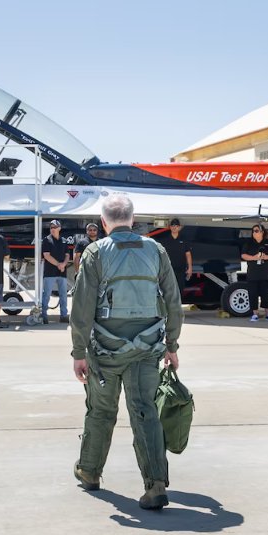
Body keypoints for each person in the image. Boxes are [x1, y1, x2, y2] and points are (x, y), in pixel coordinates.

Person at [70, 193, 183, 510]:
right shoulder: (156, 250)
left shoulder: (95, 253)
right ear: (133, 221)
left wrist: (79, 352)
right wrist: (171, 345)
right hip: (147, 351)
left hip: (105, 353)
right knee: (145, 412)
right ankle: (156, 483)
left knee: (101, 412)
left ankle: (90, 472)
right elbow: (174, 303)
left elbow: (82, 310)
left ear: (103, 223)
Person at [241, 223, 268, 321]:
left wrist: (267, 257)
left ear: (262, 232)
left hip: (265, 273)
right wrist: (253, 258)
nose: (254, 233)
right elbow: (243, 255)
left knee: (266, 293)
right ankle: (255, 314)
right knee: (253, 293)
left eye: (256, 230)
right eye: (253, 231)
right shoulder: (248, 243)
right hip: (253, 273)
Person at [41, 219, 70, 324]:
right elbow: (46, 256)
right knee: (47, 294)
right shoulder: (46, 240)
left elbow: (67, 255)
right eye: (51, 227)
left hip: (62, 272)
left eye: (54, 227)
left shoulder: (64, 241)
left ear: (59, 228)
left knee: (63, 295)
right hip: (50, 273)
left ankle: (63, 315)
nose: (52, 229)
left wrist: (64, 264)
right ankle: (43, 315)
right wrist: (59, 264)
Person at [159, 218, 192, 296]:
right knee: (168, 288)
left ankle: (178, 305)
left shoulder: (184, 240)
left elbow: (188, 254)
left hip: (181, 269)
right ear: (170, 227)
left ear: (179, 227)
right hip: (169, 269)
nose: (174, 227)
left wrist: (190, 268)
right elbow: (161, 255)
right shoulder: (165, 240)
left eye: (176, 226)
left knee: (180, 288)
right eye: (172, 226)